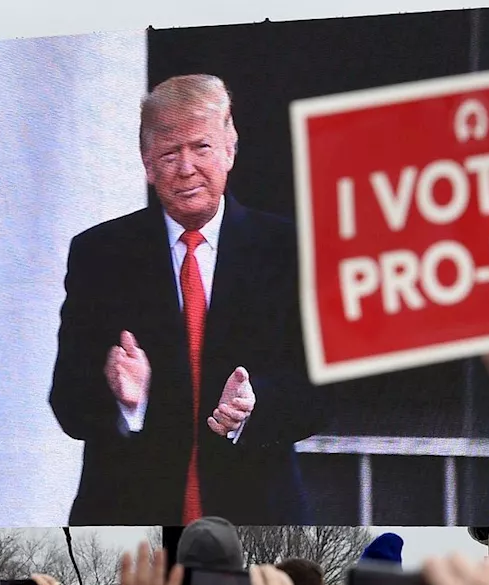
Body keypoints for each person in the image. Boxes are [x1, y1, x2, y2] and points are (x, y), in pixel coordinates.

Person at [49, 74, 320, 526]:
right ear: (147, 164)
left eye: (202, 147)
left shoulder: (288, 249)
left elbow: (319, 395)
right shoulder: (99, 254)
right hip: (127, 521)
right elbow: (68, 402)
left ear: (230, 149)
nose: (186, 166)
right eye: (169, 153)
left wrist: (254, 408)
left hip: (259, 518)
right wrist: (124, 400)